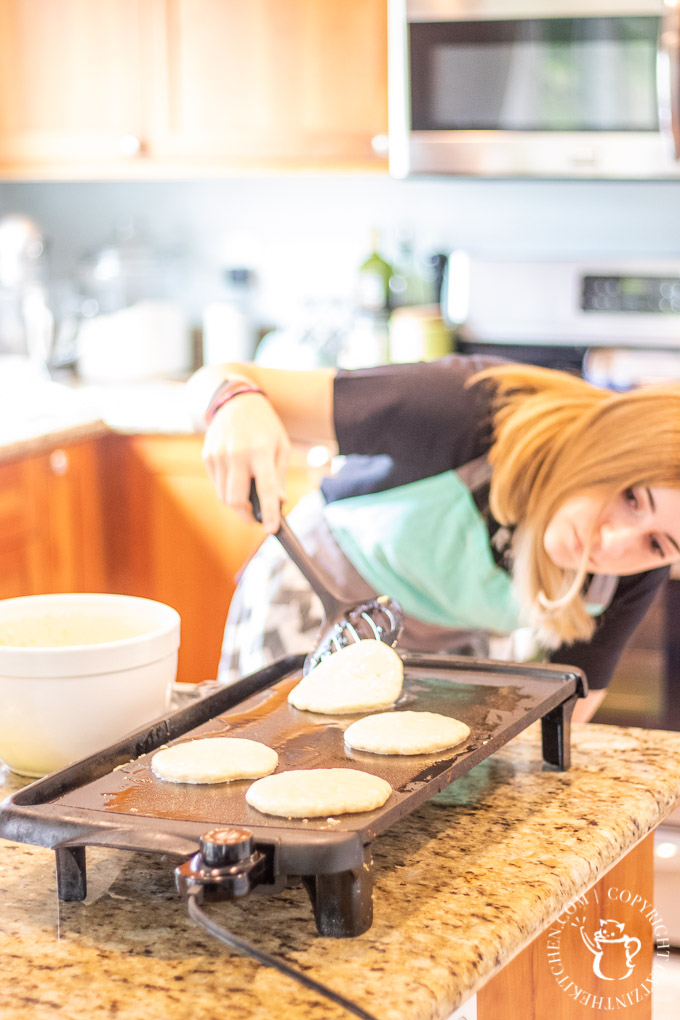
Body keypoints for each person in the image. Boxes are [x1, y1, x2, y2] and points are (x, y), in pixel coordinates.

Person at [186, 353, 680, 723]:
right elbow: (224, 379)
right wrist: (234, 404)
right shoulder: (467, 406)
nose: (612, 543)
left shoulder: (632, 571)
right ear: (610, 440)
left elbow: (568, 713)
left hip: (454, 646)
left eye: (658, 544)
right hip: (320, 596)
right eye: (633, 497)